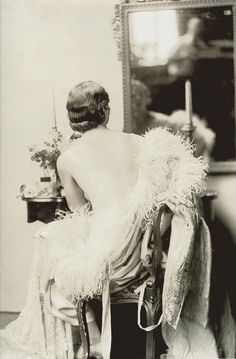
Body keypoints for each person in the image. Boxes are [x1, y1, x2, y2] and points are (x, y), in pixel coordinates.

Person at [0, 81, 220, 359]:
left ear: (73, 117)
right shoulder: (138, 142)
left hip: (110, 262)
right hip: (148, 252)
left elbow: (79, 213)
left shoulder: (67, 158)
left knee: (50, 260)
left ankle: (91, 335)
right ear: (104, 110)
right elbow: (160, 195)